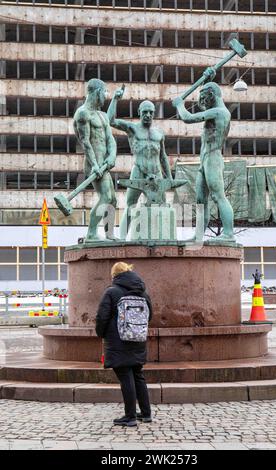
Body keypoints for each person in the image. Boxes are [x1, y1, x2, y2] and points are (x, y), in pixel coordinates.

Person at [172, 75, 236, 244]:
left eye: (204, 98)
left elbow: (187, 118)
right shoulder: (213, 112)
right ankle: (198, 236)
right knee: (201, 200)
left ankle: (229, 233)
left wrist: (180, 104)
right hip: (204, 160)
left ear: (212, 95)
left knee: (218, 196)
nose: (202, 102)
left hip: (213, 158)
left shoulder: (219, 112)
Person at [107, 86, 173, 239]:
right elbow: (111, 120)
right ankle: (122, 239)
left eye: (151, 112)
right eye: (145, 112)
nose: (148, 115)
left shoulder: (159, 133)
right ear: (139, 113)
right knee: (130, 205)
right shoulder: (132, 129)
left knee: (161, 207)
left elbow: (163, 156)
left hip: (156, 174)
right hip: (139, 172)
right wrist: (115, 99)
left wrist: (169, 178)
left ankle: (165, 239)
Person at [95, 262, 153, 427]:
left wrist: (101, 333)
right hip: (138, 339)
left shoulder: (112, 292)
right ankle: (146, 413)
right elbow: (150, 315)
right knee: (137, 375)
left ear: (115, 275)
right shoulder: (143, 293)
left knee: (125, 376)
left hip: (118, 341)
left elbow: (102, 317)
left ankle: (130, 416)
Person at [73, 78, 117, 241]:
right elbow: (85, 142)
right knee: (105, 197)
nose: (105, 97)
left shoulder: (103, 116)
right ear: (97, 92)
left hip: (104, 164)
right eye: (104, 93)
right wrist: (95, 165)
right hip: (94, 165)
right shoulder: (82, 114)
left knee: (112, 199)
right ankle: (91, 233)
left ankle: (109, 234)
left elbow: (110, 139)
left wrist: (112, 156)